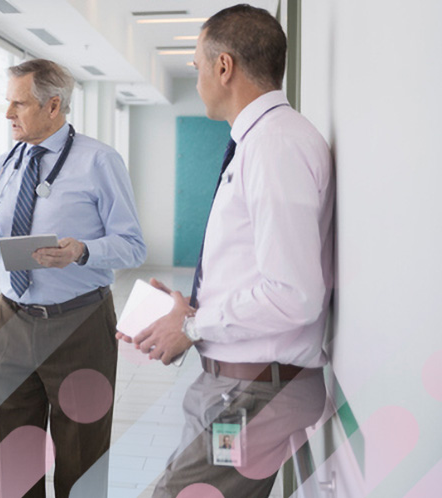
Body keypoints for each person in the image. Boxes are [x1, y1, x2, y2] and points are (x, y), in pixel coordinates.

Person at [121, 5, 334, 497]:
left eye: (198, 66)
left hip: (253, 393)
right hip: (240, 388)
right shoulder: (259, 141)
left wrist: (192, 326)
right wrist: (189, 311)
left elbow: (295, 294)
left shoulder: (275, 147)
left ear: (225, 67)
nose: (196, 78)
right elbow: (258, 272)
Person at [0, 59, 146, 497]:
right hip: (11, 322)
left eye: (19, 104)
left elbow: (134, 246)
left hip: (79, 324)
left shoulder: (100, 161)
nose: (8, 115)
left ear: (54, 105)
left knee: (81, 458)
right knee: (15, 458)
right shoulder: (3, 164)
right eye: (8, 103)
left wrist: (83, 251)